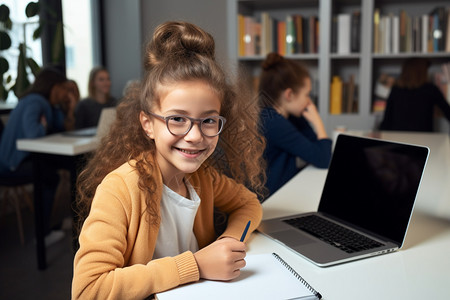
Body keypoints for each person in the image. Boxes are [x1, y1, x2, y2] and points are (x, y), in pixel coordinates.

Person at [72, 21, 265, 299]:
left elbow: (248, 204)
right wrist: (196, 265)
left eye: (208, 120)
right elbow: (87, 290)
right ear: (148, 124)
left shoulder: (202, 177)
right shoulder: (119, 190)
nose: (195, 135)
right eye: (177, 119)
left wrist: (229, 242)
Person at [0, 66, 79, 235]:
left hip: (27, 158)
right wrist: (44, 124)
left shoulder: (51, 106)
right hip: (11, 164)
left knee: (72, 164)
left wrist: (70, 109)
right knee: (49, 176)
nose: (67, 94)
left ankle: (67, 223)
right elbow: (33, 133)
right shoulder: (35, 101)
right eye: (65, 89)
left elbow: (63, 129)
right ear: (55, 88)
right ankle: (43, 233)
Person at [258, 52, 332, 200]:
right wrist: (318, 123)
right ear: (289, 95)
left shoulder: (288, 117)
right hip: (271, 200)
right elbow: (323, 159)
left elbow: (316, 146)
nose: (308, 102)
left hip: (285, 190)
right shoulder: (273, 122)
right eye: (307, 94)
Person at [379, 57, 450, 132]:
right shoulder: (430, 89)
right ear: (421, 72)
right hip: (423, 139)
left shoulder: (396, 89)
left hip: (397, 138)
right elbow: (447, 111)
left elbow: (386, 119)